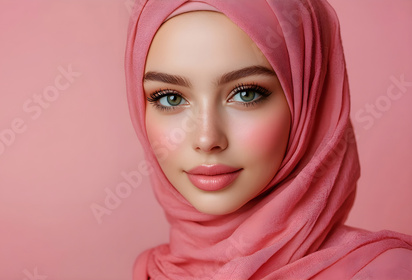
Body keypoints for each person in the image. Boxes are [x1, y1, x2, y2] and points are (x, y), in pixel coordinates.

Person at [124, 1, 412, 279]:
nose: (207, 138)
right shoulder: (151, 272)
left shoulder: (388, 272)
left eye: (246, 94)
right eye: (170, 98)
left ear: (308, 103)